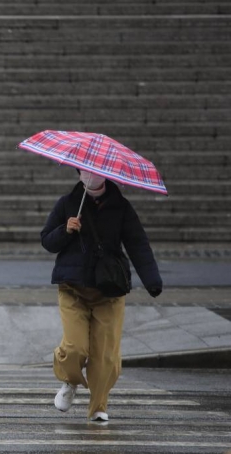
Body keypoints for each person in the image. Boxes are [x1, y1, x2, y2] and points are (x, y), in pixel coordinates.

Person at [40, 169, 162, 422]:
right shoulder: (67, 203)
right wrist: (66, 229)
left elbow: (138, 244)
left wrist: (152, 281)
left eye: (95, 172)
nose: (90, 175)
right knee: (75, 347)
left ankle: (98, 405)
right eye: (85, 171)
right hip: (73, 288)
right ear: (78, 172)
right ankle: (70, 381)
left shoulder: (121, 207)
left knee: (106, 354)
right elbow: (47, 241)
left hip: (109, 290)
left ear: (106, 174)